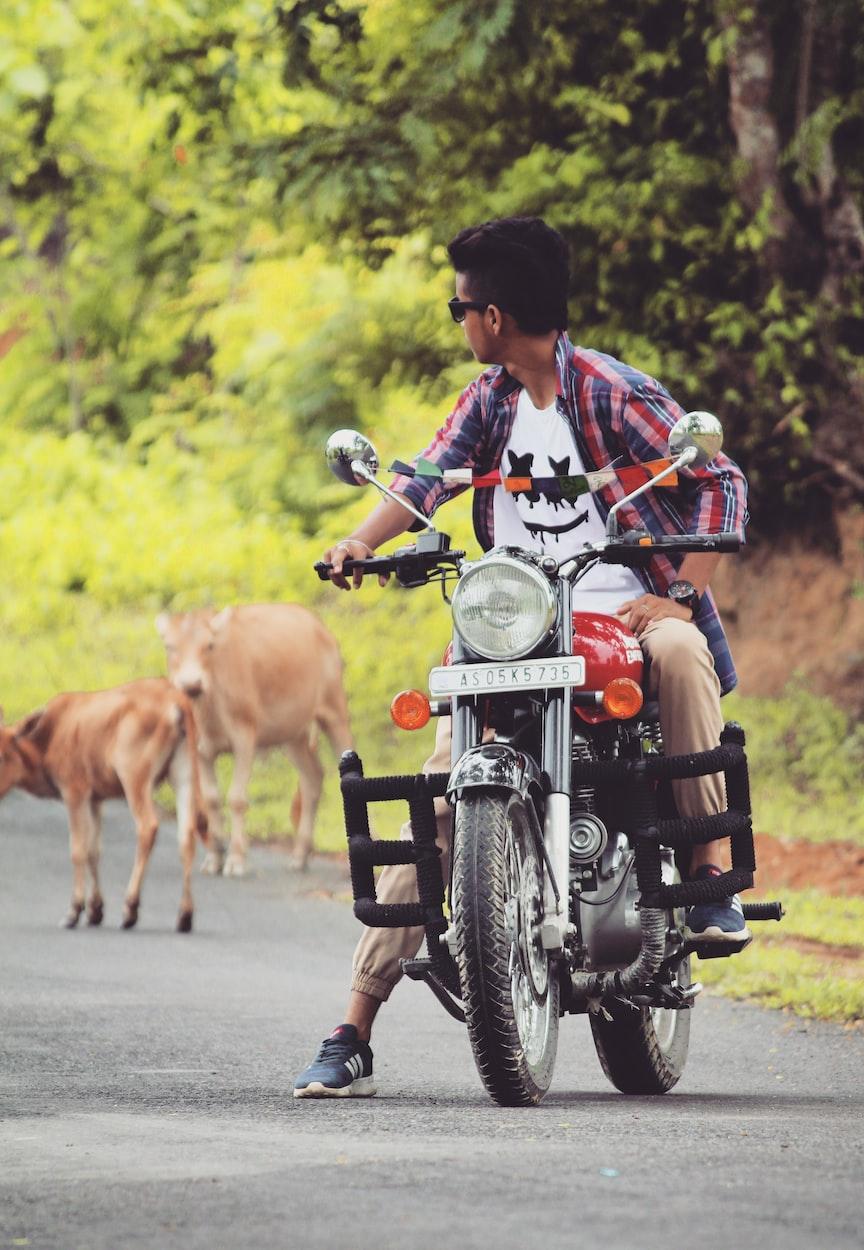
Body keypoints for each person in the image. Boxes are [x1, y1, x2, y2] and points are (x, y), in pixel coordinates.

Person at [294, 216, 749, 1099]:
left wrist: (681, 588)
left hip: (626, 615)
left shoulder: (613, 391)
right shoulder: (489, 401)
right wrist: (357, 540)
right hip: (514, 622)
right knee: (438, 784)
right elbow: (425, 478)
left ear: (494, 315)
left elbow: (718, 480)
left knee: (686, 653)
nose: (460, 322)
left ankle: (708, 875)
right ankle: (353, 1025)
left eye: (459, 306)